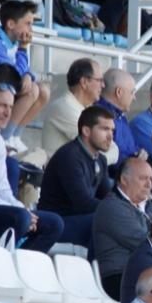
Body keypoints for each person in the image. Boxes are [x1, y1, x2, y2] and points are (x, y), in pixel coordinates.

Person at [0, 81, 63, 253]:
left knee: (53, 224)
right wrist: (18, 211)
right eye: (2, 105)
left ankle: (19, 270)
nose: (8, 112)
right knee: (21, 218)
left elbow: (2, 189)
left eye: (11, 106)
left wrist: (20, 208)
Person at [37, 104, 113, 249]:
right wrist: (117, 209)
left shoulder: (100, 159)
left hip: (77, 220)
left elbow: (107, 196)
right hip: (56, 223)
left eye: (112, 130)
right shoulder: (69, 156)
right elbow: (83, 203)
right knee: (104, 220)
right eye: (104, 129)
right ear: (86, 130)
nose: (110, 136)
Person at [93, 158, 152, 299]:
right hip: (118, 277)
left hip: (144, 274)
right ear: (124, 179)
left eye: (151, 179)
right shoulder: (112, 207)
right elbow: (144, 242)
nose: (149, 185)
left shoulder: (150, 207)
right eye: (143, 179)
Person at [0, 1, 48, 144]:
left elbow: (26, 71)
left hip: (10, 89)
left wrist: (28, 75)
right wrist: (23, 49)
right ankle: (5, 137)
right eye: (28, 24)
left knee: (43, 91)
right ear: (11, 24)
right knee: (33, 90)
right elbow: (10, 74)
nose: (31, 29)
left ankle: (15, 136)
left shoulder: (16, 43)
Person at [40, 58, 104, 158]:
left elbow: (106, 145)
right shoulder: (63, 107)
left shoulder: (88, 108)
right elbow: (94, 146)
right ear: (84, 82)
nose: (103, 85)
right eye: (99, 80)